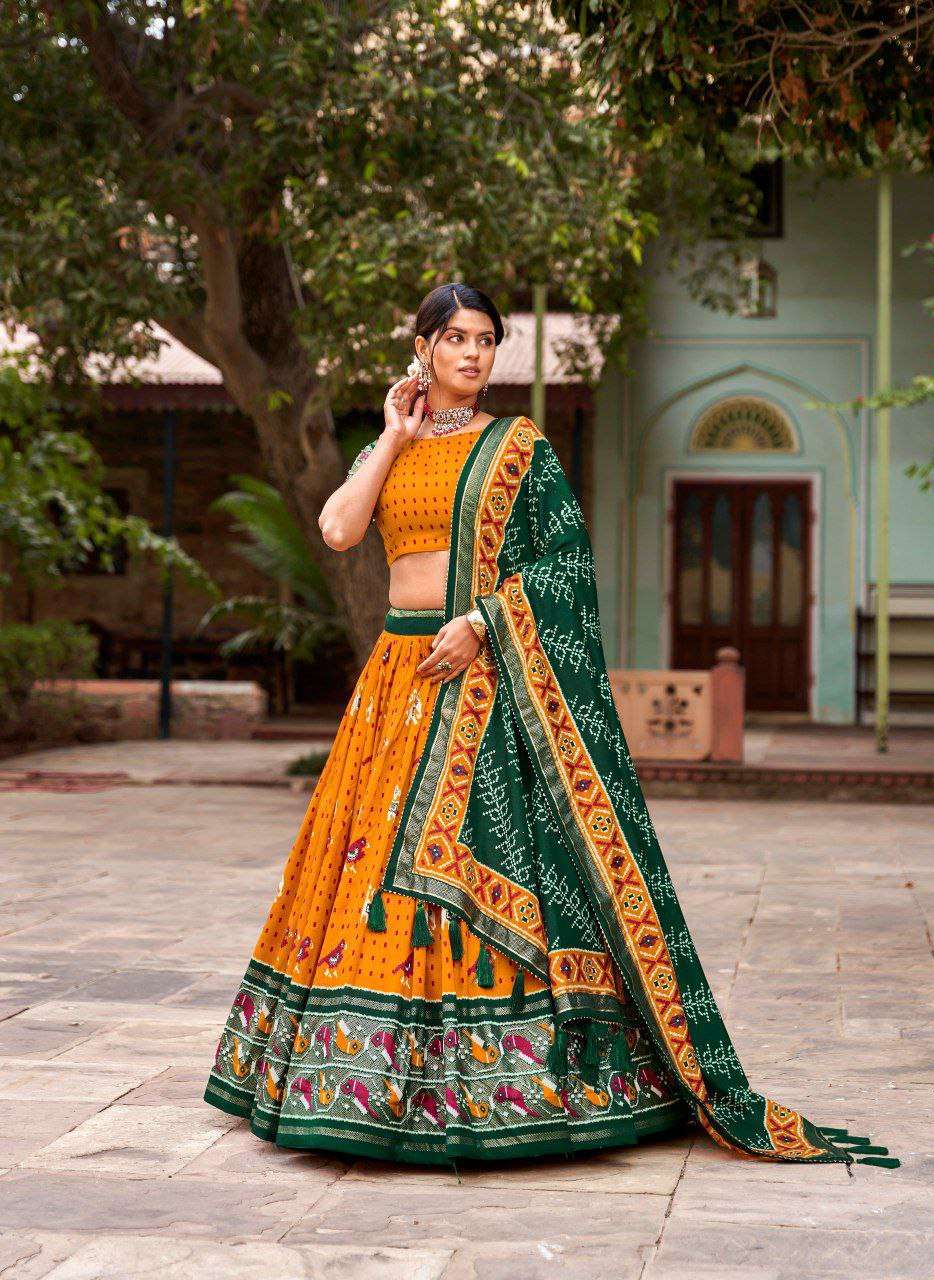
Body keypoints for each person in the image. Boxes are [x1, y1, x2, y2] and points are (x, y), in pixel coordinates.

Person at [203, 283, 897, 1171]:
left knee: (465, 867)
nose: (473, 354)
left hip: (481, 674)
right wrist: (393, 436)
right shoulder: (394, 445)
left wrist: (484, 620)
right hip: (396, 679)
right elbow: (339, 529)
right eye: (455, 338)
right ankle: (354, 1082)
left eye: (486, 340)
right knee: (366, 868)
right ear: (421, 347)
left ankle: (501, 1085)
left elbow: (567, 566)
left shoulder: (518, 448)